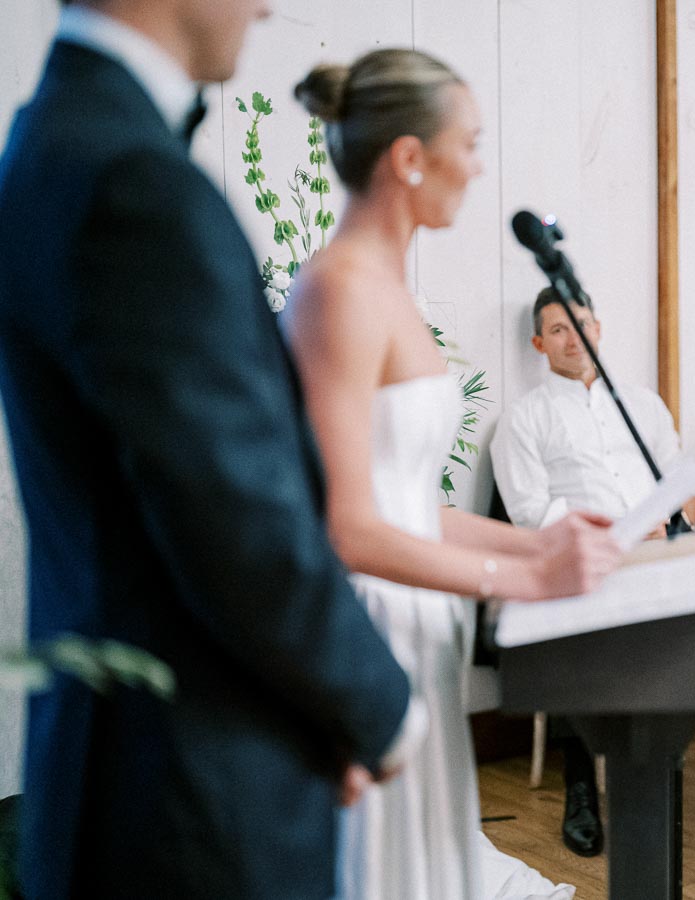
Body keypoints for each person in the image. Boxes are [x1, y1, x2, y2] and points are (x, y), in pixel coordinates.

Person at [0, 2, 417, 897]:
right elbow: (238, 525)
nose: (266, 5)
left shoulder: (53, 141)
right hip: (194, 808)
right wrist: (376, 708)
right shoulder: (131, 182)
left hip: (140, 772)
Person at [288, 51, 619, 899]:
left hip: (422, 622)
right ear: (409, 158)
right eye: (467, 143)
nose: (476, 164)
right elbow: (345, 526)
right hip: (372, 628)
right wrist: (519, 575)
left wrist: (537, 538)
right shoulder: (338, 292)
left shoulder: (393, 290)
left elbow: (413, 502)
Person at [492, 289, 695, 837]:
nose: (574, 337)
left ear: (599, 328)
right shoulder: (523, 419)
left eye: (582, 323)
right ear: (538, 343)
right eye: (559, 329)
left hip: (662, 550)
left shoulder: (642, 404)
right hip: (584, 562)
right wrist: (609, 538)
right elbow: (530, 513)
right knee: (576, 622)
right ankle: (579, 786)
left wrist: (672, 517)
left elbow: (684, 483)